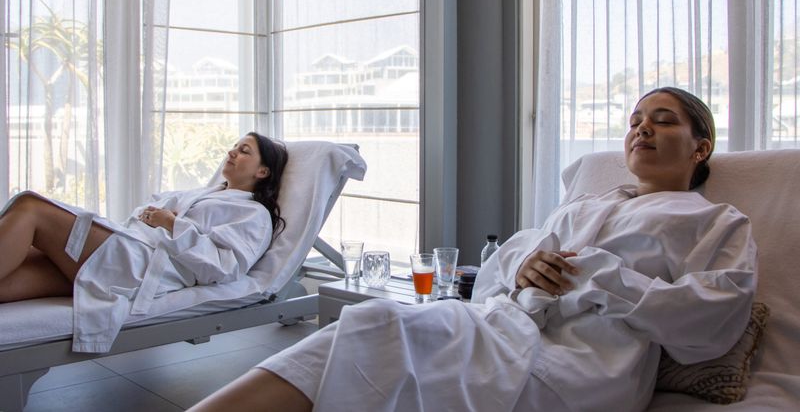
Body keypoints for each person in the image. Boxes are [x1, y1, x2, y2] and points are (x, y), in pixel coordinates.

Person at [191, 88, 757, 412]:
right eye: (635, 121)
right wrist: (524, 266)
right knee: (371, 327)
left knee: (381, 330)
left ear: (700, 146)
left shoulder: (714, 221)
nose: (641, 130)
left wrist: (599, 278)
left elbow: (712, 322)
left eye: (662, 121)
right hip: (502, 325)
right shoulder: (584, 204)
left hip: (586, 364)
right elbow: (493, 275)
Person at [0, 132, 288, 353]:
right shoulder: (200, 194)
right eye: (235, 147)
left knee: (30, 207)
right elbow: (144, 212)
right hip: (129, 253)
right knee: (18, 267)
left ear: (262, 172)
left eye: (244, 150)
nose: (232, 151)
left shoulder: (253, 214)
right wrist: (160, 218)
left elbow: (223, 268)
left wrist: (172, 223)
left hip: (139, 265)